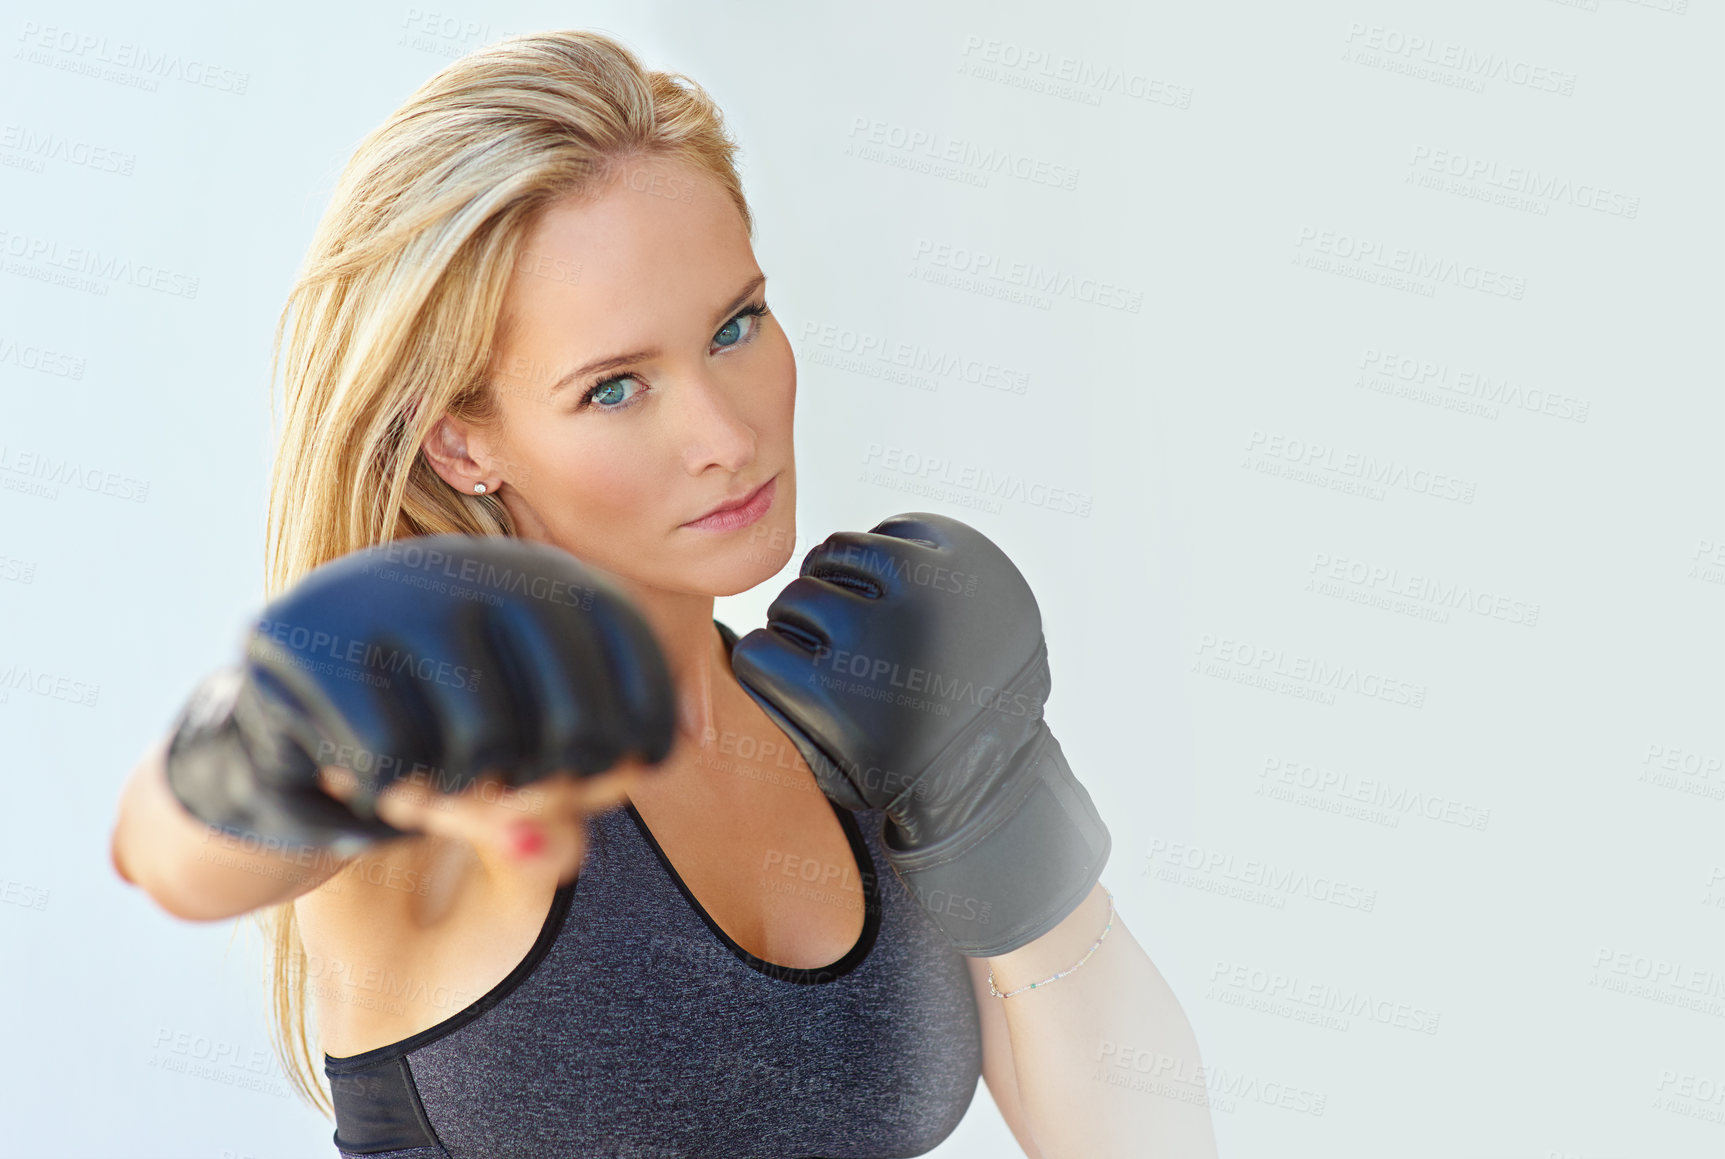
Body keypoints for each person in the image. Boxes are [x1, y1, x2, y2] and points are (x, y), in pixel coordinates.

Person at [108, 28, 1218, 1158]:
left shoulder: (859, 715)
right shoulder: (454, 753)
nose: (727, 437)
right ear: (459, 443)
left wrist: (1001, 796)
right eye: (615, 389)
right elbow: (169, 852)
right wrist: (290, 718)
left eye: (735, 326)